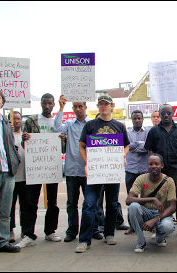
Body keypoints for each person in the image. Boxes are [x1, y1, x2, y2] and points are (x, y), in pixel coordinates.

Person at [75, 95, 130, 253]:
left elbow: (126, 145)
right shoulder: (90, 125)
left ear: (112, 106)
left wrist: (123, 155)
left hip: (112, 171)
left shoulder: (119, 126)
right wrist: (87, 163)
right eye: (100, 104)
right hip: (95, 172)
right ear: (98, 107)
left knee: (112, 204)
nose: (103, 106)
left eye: (106, 104)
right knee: (89, 204)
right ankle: (84, 239)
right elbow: (81, 146)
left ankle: (109, 233)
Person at [54, 95, 103, 242]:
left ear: (85, 107)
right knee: (71, 203)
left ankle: (93, 229)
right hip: (71, 170)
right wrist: (61, 107)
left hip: (88, 170)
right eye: (74, 106)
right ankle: (72, 230)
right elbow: (57, 128)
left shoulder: (93, 124)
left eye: (80, 106)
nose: (77, 109)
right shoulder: (69, 124)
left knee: (90, 202)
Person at [17, 93, 62, 248]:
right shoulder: (31, 120)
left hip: (52, 166)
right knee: (31, 201)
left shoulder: (58, 122)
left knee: (53, 202)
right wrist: (25, 139)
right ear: (41, 104)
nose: (47, 106)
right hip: (35, 167)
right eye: (45, 103)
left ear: (54, 104)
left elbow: (62, 148)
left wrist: (63, 140)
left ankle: (50, 231)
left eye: (50, 103)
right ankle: (28, 233)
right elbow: (25, 145)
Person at [144, 104, 177, 240]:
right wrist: (154, 166)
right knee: (160, 201)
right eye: (163, 113)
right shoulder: (154, 131)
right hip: (161, 173)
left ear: (172, 114)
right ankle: (159, 228)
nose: (166, 115)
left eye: (168, 113)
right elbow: (151, 149)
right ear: (159, 114)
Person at [0, 88, 20, 254]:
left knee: (5, 210)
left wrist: (15, 160)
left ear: (2, 102)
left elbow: (11, 144)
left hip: (8, 171)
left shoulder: (5, 122)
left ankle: (2, 242)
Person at [126, 153, 176, 253]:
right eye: (150, 164)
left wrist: (155, 219)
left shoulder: (169, 181)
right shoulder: (141, 178)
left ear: (162, 165)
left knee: (168, 226)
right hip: (146, 212)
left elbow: (172, 207)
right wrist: (152, 199)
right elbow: (128, 200)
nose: (153, 166)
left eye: (156, 164)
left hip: (161, 214)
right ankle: (141, 242)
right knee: (132, 207)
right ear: (147, 165)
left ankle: (160, 237)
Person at [124, 109, 150, 235]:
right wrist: (139, 145)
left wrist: (135, 145)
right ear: (132, 119)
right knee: (131, 198)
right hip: (131, 170)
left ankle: (146, 224)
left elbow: (147, 146)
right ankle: (132, 226)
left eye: (139, 118)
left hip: (145, 171)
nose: (137, 120)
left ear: (143, 119)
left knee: (145, 199)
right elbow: (128, 146)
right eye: (135, 118)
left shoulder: (148, 132)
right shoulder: (127, 132)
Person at [8, 111, 27, 244]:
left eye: (18, 118)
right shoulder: (7, 135)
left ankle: (25, 230)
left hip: (25, 177)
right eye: (13, 119)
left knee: (25, 206)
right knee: (9, 206)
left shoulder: (25, 136)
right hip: (11, 177)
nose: (16, 121)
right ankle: (10, 230)